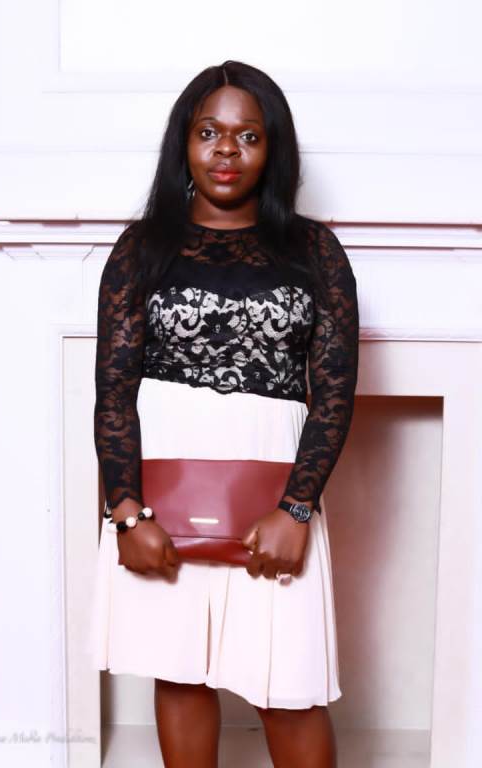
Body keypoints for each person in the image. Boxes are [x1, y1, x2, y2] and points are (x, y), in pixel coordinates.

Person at [87, 60, 359, 768]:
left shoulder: (315, 251)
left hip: (276, 500)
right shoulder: (141, 249)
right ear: (184, 141)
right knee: (179, 673)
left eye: (248, 135)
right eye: (208, 132)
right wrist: (126, 513)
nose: (226, 150)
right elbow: (113, 391)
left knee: (291, 688)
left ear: (273, 149)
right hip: (161, 500)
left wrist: (297, 508)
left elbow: (335, 391)